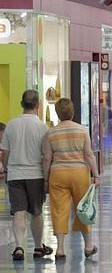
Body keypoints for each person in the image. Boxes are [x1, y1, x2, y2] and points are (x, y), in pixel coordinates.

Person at [43, 98, 100, 260]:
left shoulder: (51, 132)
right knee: (83, 208)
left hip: (58, 174)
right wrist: (96, 174)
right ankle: (88, 246)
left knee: (59, 210)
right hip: (80, 173)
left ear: (57, 113)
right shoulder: (82, 130)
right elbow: (88, 154)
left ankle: (60, 248)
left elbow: (47, 158)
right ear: (73, 112)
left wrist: (46, 179)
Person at [0, 90, 53, 261]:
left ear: (21, 103)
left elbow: (5, 153)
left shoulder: (11, 125)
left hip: (15, 175)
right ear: (38, 105)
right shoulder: (43, 127)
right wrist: (46, 178)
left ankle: (19, 248)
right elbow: (46, 155)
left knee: (19, 212)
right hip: (35, 175)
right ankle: (38, 247)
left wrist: (8, 170)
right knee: (36, 213)